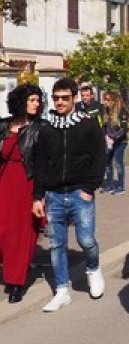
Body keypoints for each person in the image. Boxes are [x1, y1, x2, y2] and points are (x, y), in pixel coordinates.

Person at [32, 77, 106, 312]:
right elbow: (40, 163)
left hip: (79, 194)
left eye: (65, 97)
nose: (60, 102)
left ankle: (93, 268)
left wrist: (89, 188)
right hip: (54, 195)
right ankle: (62, 290)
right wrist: (38, 196)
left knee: (86, 240)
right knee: (56, 244)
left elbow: (99, 157)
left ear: (75, 98)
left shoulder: (88, 124)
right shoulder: (47, 128)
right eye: (56, 98)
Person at [0, 84, 43, 303]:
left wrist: (41, 194)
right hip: (5, 183)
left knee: (21, 234)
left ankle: (16, 281)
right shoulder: (4, 126)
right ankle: (9, 270)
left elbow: (46, 162)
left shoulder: (40, 128)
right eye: (32, 100)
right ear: (20, 101)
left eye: (38, 100)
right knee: (4, 231)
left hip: (28, 184)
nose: (37, 104)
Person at [101, 91, 129, 194]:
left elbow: (124, 129)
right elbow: (105, 127)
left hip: (120, 142)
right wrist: (105, 136)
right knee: (107, 163)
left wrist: (114, 137)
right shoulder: (107, 112)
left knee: (118, 163)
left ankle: (121, 186)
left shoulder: (122, 112)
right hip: (109, 141)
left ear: (113, 101)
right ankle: (109, 184)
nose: (105, 102)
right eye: (104, 100)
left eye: (107, 100)